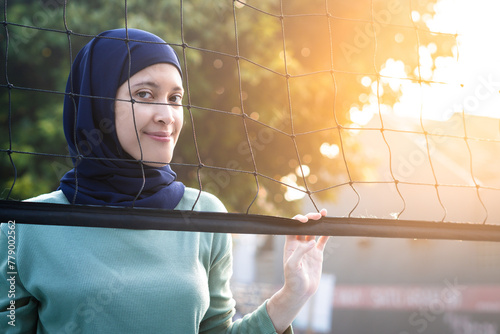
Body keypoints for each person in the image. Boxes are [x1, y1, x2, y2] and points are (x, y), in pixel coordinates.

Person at [0, 28, 329, 334]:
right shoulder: (23, 228)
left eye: (175, 98)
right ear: (97, 103)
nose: (166, 115)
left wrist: (293, 295)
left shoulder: (205, 213)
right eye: (144, 94)